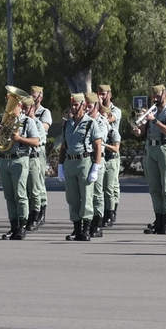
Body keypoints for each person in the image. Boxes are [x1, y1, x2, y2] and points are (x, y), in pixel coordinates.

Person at [132, 85, 166, 235]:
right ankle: (158, 218)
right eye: (153, 95)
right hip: (150, 149)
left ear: (165, 95)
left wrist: (154, 121)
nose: (155, 98)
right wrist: (136, 128)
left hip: (164, 148)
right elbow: (141, 133)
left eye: (158, 95)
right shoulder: (151, 111)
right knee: (154, 188)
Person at [60, 93, 106, 241]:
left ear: (84, 106)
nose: (73, 108)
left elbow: (98, 146)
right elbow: (63, 146)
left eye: (76, 105)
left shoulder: (91, 123)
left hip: (84, 162)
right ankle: (76, 229)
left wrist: (96, 167)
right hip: (70, 162)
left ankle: (86, 229)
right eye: (72, 105)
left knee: (86, 197)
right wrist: (60, 165)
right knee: (72, 198)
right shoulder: (67, 124)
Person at [0, 95, 44, 241]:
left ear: (20, 106)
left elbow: (36, 141)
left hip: (19, 159)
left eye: (13, 104)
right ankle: (13, 226)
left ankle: (22, 226)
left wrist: (19, 139)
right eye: (8, 104)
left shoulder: (28, 122)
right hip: (4, 160)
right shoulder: (5, 121)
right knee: (9, 196)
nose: (9, 108)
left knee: (20, 194)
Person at [93, 84, 122, 228]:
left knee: (112, 186)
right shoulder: (96, 112)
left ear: (110, 94)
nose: (101, 96)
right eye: (99, 94)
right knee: (102, 187)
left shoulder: (116, 110)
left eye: (103, 94)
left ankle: (111, 213)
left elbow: (108, 119)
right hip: (102, 152)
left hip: (112, 148)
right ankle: (104, 212)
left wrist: (98, 104)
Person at [26, 87, 54, 232]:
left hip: (39, 149)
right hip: (27, 149)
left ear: (40, 98)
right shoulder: (25, 110)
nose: (31, 96)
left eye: (34, 95)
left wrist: (31, 117)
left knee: (38, 182)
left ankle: (41, 211)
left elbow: (43, 128)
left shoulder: (44, 112)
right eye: (30, 94)